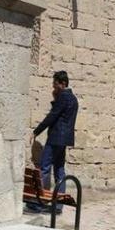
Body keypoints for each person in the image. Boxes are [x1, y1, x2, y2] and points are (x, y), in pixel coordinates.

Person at [28, 71, 79, 214]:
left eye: (55, 84)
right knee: (59, 171)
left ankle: (40, 202)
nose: (53, 87)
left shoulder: (63, 96)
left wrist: (36, 131)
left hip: (56, 138)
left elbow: (53, 116)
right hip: (64, 140)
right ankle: (57, 206)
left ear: (62, 84)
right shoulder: (73, 99)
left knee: (44, 168)